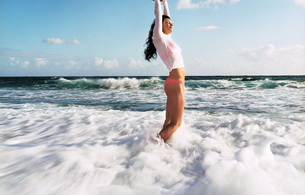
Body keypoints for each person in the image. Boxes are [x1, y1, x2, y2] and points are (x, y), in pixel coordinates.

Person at [144, 0, 185, 142]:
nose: (171, 24)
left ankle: (161, 151)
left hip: (175, 82)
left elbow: (166, 16)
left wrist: (165, 2)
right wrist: (157, 1)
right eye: (167, 23)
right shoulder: (159, 38)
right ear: (159, 25)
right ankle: (152, 148)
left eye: (171, 23)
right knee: (176, 123)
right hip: (174, 83)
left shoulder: (167, 39)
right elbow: (158, 15)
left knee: (169, 121)